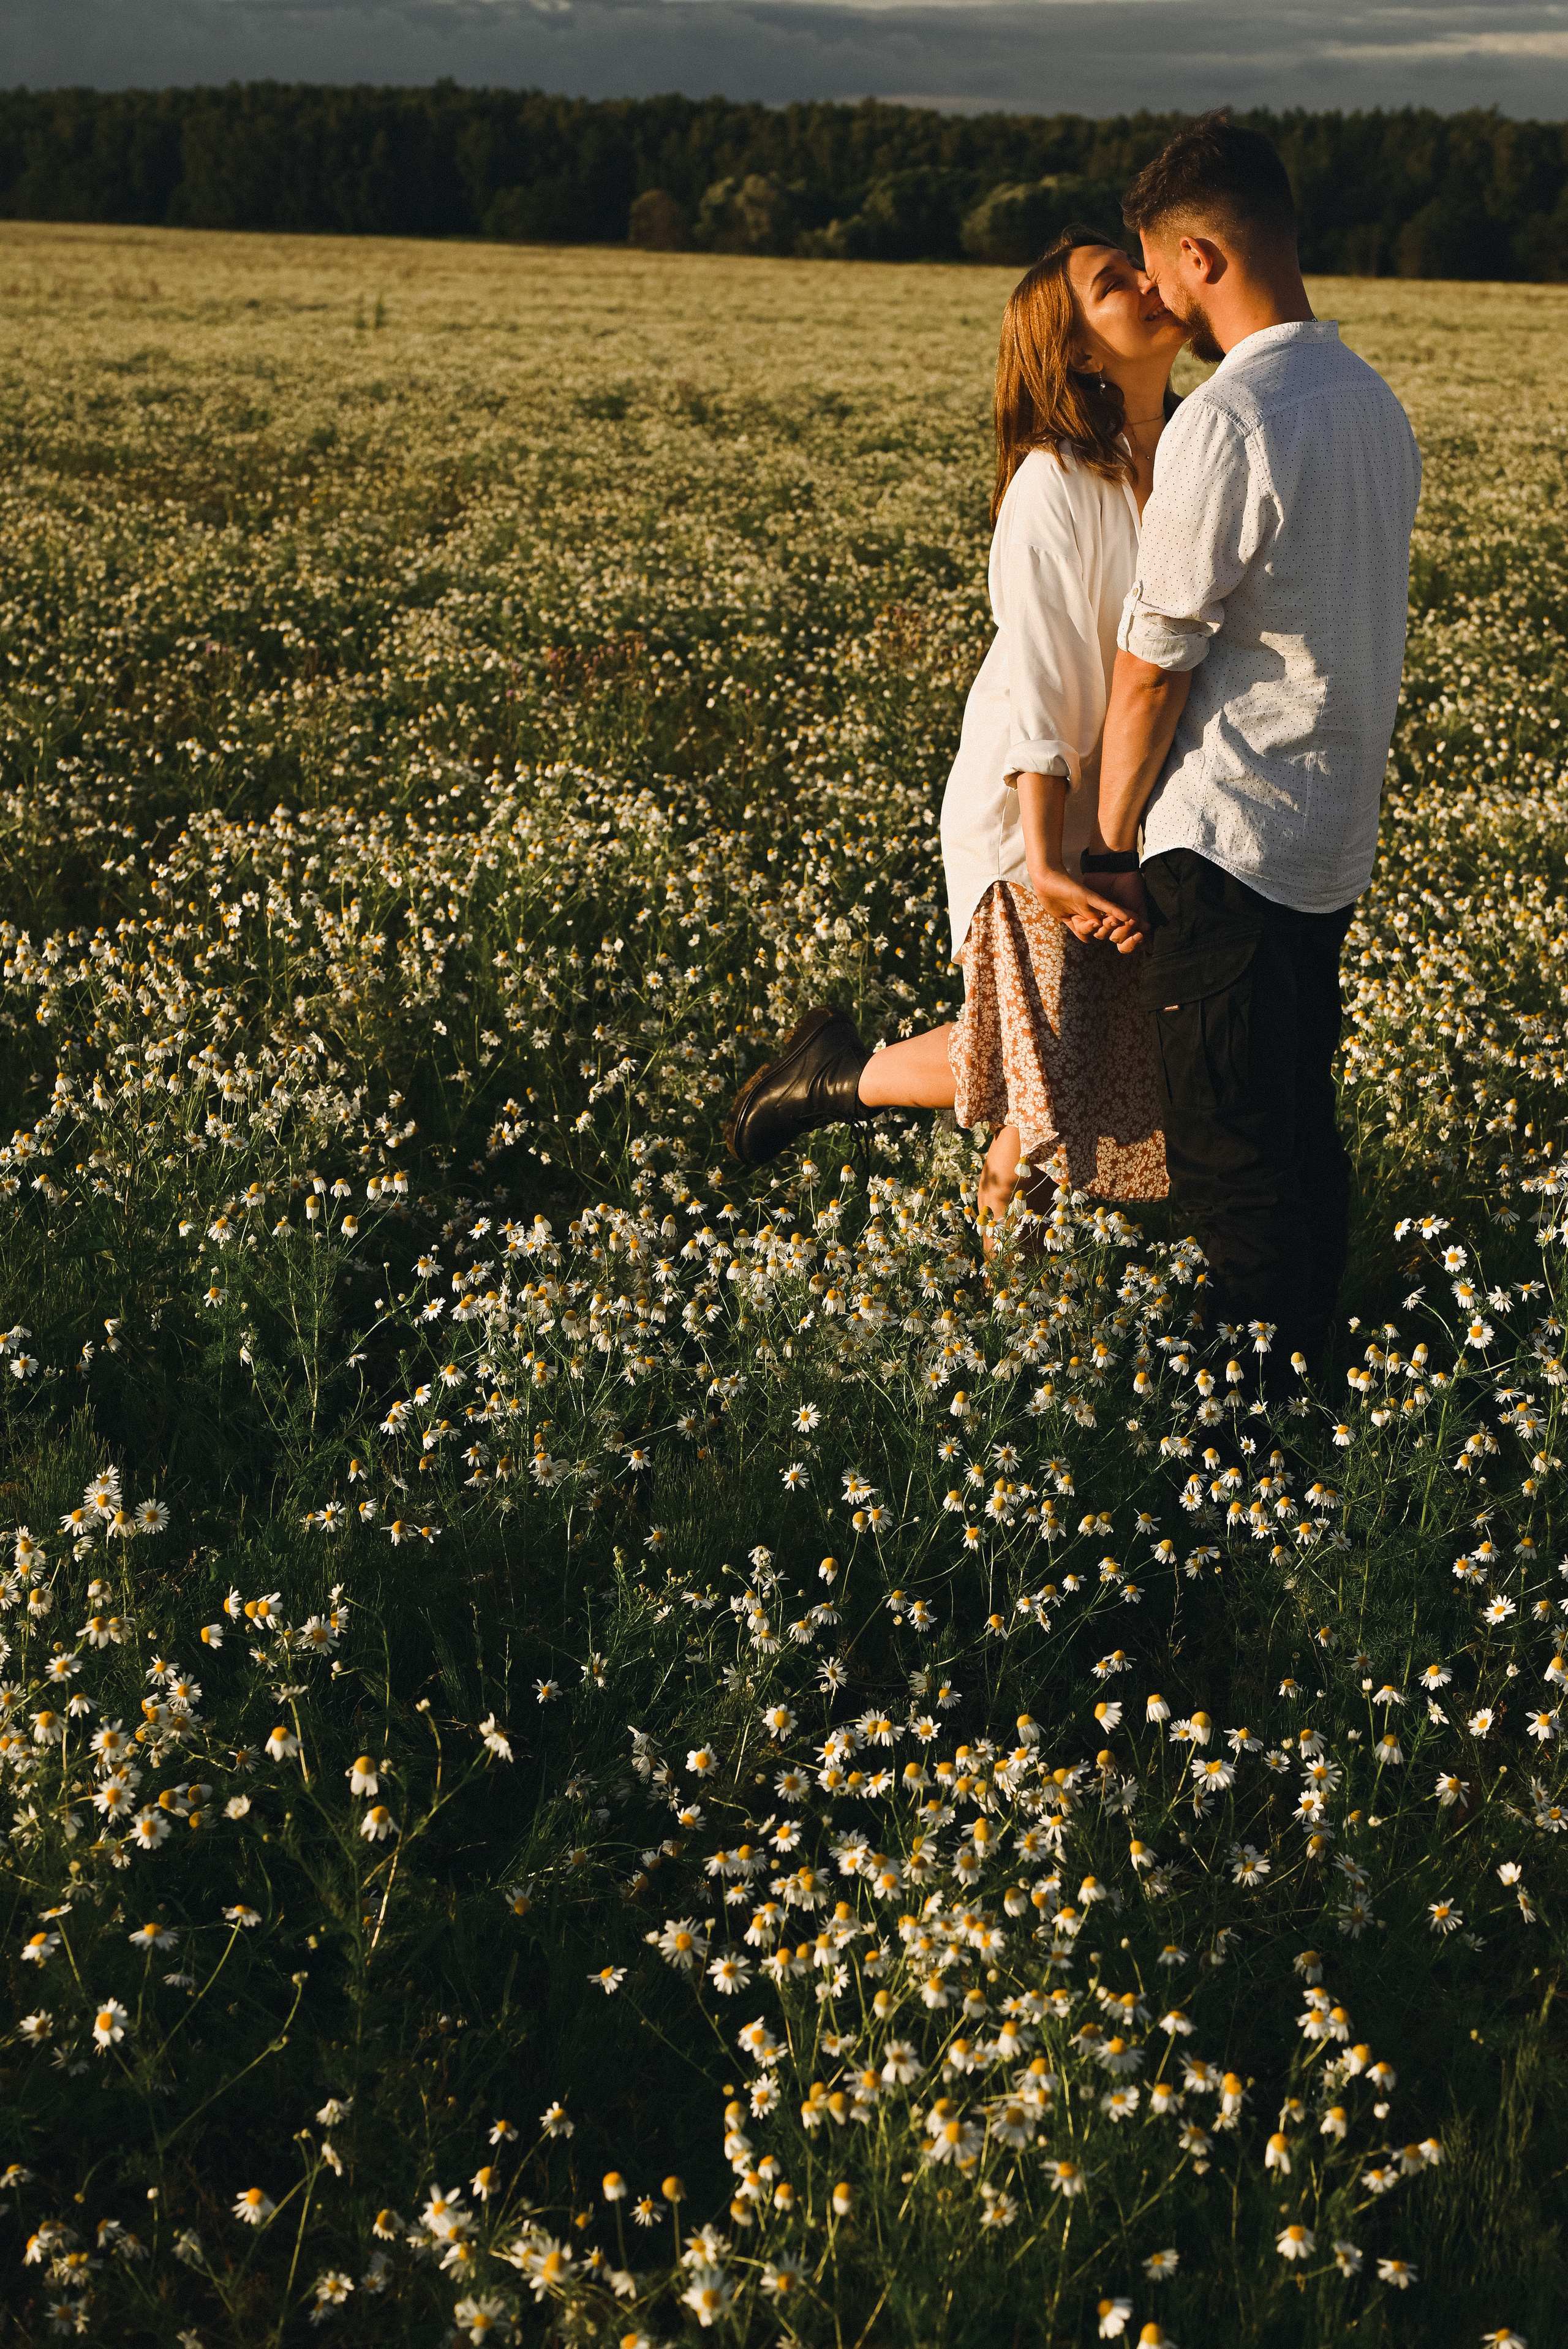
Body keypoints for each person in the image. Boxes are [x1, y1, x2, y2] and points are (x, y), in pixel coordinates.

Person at [726, 228, 1186, 1233]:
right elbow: (1041, 676)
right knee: (1047, 1068)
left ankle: (833, 1080)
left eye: (1142, 270)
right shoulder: (1055, 483)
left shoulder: (1194, 454)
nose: (1150, 287)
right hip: (1030, 810)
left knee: (1063, 1057)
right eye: (1116, 286)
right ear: (1074, 351)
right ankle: (999, 1284)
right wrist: (1046, 856)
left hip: (1124, 819)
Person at [1089, 112, 1422, 1380]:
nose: (1155, 293)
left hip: (1223, 843)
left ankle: (1251, 1450)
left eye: (1158, 266)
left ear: (1202, 256)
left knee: (1231, 1176)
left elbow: (1151, 661)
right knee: (1298, 1147)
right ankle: (1311, 1397)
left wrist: (1109, 842)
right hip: (1326, 846)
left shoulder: (1226, 421)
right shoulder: (1368, 403)